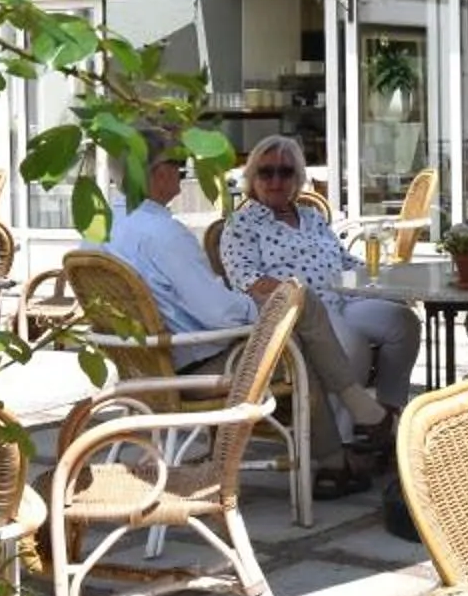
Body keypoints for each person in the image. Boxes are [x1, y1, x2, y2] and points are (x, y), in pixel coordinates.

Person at [105, 130, 388, 498]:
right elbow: (220, 315)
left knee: (295, 320)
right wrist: (266, 311)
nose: (181, 173)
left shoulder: (100, 229)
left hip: (142, 366)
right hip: (191, 368)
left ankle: (337, 456)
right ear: (157, 173)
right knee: (297, 310)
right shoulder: (164, 234)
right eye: (178, 164)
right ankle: (359, 421)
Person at [217, 134, 420, 465]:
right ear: (252, 178)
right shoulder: (242, 224)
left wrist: (389, 281)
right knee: (348, 341)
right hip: (299, 315)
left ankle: (388, 417)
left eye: (285, 172)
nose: (276, 181)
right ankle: (341, 444)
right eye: (266, 172)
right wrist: (297, 296)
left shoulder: (311, 217)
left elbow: (345, 261)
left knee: (403, 323)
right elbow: (248, 280)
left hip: (343, 299)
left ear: (298, 178)